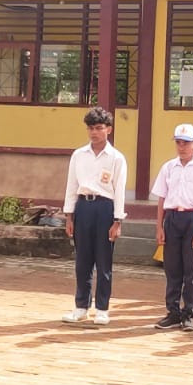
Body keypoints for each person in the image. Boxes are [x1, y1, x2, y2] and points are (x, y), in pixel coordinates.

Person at [61, 106, 127, 325]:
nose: (94, 133)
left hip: (105, 208)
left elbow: (119, 190)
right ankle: (81, 306)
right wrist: (69, 216)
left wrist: (118, 221)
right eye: (91, 128)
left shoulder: (116, 158)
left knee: (103, 260)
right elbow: (72, 185)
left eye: (99, 128)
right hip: (83, 207)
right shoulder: (79, 155)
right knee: (83, 261)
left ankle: (102, 308)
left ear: (108, 129)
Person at [151, 123, 193, 332]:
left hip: (192, 218)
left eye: (186, 143)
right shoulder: (168, 167)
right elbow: (161, 199)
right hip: (172, 219)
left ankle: (189, 313)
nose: (182, 147)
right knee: (172, 268)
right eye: (178, 142)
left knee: (191, 270)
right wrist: (159, 227)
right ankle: (173, 312)